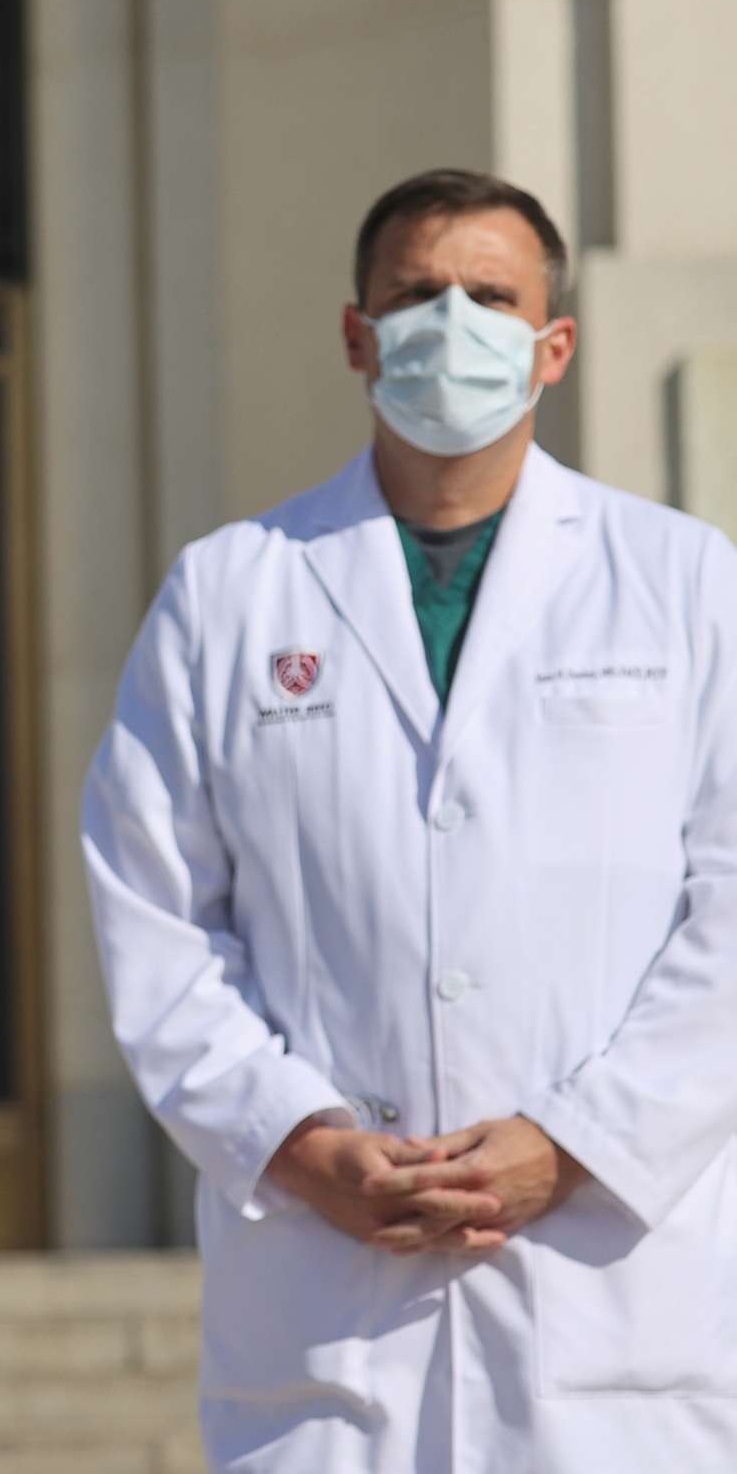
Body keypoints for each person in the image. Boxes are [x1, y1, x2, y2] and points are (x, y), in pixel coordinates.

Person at [83, 168, 737, 1471]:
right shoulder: (229, 594)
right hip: (329, 1316)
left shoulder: (683, 583)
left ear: (554, 343)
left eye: (490, 297)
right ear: (355, 334)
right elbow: (154, 913)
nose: (453, 324)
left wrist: (579, 1141)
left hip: (609, 1304)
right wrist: (294, 1133)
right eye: (416, 294)